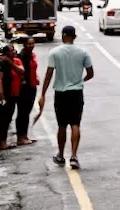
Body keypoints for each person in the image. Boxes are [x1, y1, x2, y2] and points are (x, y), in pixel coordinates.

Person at [39, 26, 94, 169]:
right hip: (76, 93)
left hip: (61, 93)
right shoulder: (83, 53)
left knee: (62, 125)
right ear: (74, 37)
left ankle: (61, 155)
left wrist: (43, 94)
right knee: (75, 124)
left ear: (63, 35)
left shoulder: (55, 53)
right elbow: (90, 73)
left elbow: (49, 74)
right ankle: (74, 156)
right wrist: (80, 80)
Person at [0, 45, 25, 150]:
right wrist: (1, 94)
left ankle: (4, 141)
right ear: (6, 53)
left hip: (11, 94)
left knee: (7, 118)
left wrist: (11, 63)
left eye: (14, 50)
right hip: (2, 95)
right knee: (2, 118)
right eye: (11, 51)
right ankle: (2, 142)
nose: (14, 52)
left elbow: (21, 72)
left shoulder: (13, 61)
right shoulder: (0, 63)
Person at [15, 37, 39, 146]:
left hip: (32, 86)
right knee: (22, 112)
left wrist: (36, 77)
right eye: (29, 44)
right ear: (24, 45)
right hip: (24, 88)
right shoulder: (22, 56)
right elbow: (21, 72)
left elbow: (33, 69)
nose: (31, 46)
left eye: (32, 43)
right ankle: (20, 137)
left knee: (27, 112)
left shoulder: (31, 55)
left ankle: (25, 135)